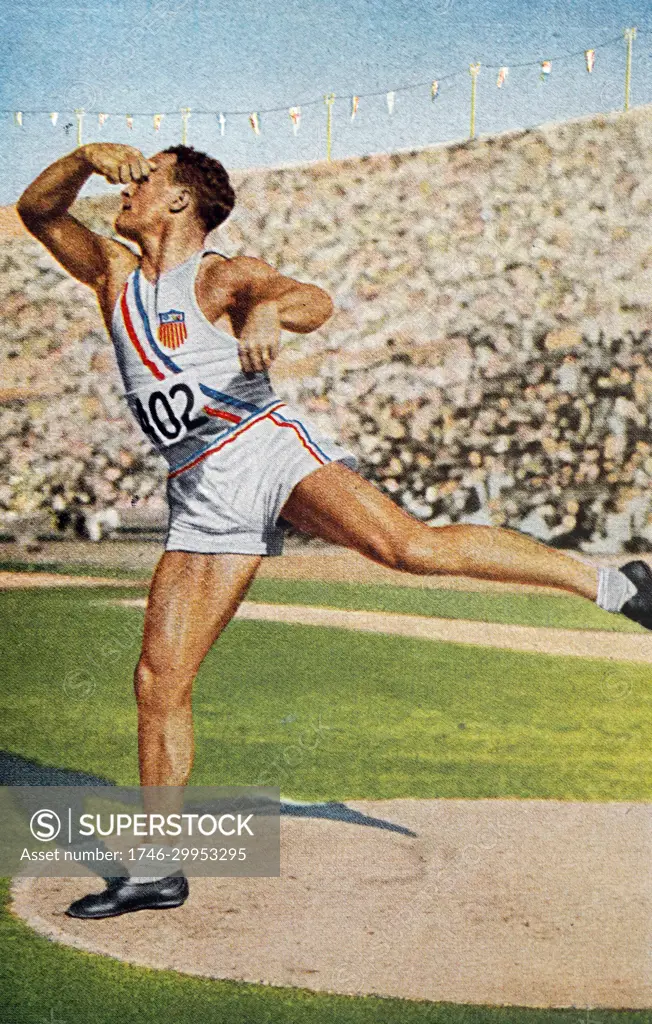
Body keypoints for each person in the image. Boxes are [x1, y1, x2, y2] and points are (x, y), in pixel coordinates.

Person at [17, 142, 652, 918]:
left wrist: (266, 310)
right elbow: (38, 209)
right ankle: (157, 870)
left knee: (408, 548)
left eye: (145, 178)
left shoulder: (220, 275)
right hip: (202, 487)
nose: (128, 185)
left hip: (264, 445)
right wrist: (83, 156)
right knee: (159, 680)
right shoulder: (112, 274)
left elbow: (310, 299)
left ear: (181, 201)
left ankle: (619, 584)